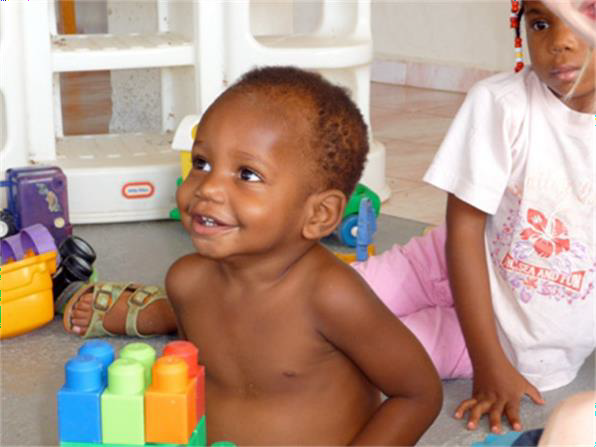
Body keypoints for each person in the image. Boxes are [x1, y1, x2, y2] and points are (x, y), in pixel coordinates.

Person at [61, 66, 443, 446]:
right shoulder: (187, 281)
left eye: (247, 174)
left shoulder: (331, 296)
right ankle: (155, 313)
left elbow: (418, 394)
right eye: (201, 163)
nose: (208, 188)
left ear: (319, 214)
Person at [355, 0, 595, 435]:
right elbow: (464, 229)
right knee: (317, 301)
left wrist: (493, 359)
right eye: (541, 22)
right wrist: (487, 363)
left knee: (353, 357)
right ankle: (193, 309)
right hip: (440, 264)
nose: (560, 40)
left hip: (517, 340)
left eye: (587, 15)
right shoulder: (501, 102)